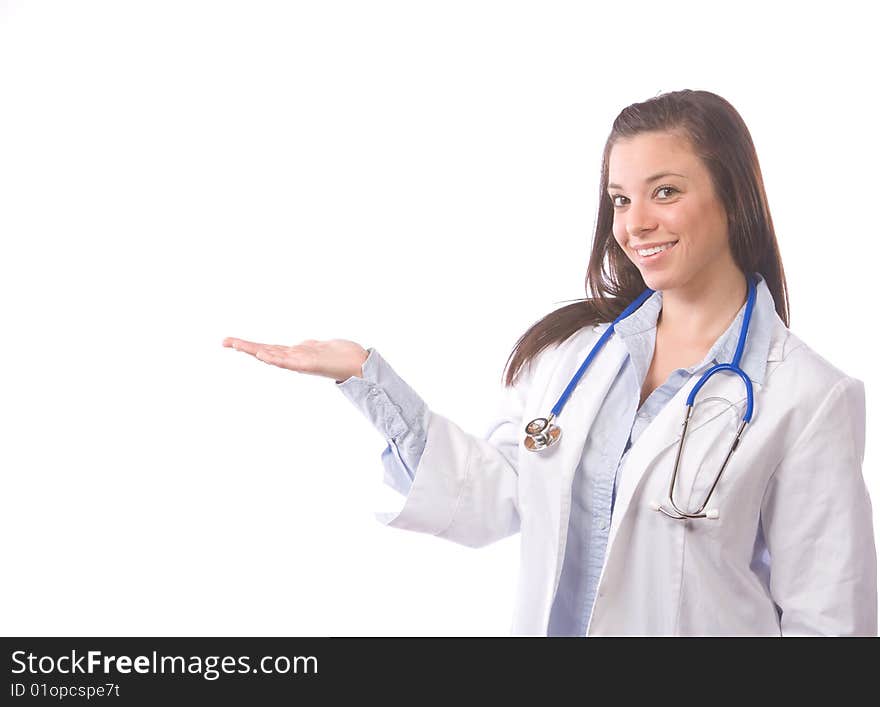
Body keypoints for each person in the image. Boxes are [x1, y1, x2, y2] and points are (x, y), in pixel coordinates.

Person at [222, 89, 877, 636]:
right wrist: (366, 375)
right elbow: (492, 496)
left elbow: (831, 620)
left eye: (665, 192)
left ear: (732, 198)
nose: (635, 223)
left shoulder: (805, 395)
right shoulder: (571, 358)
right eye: (620, 199)